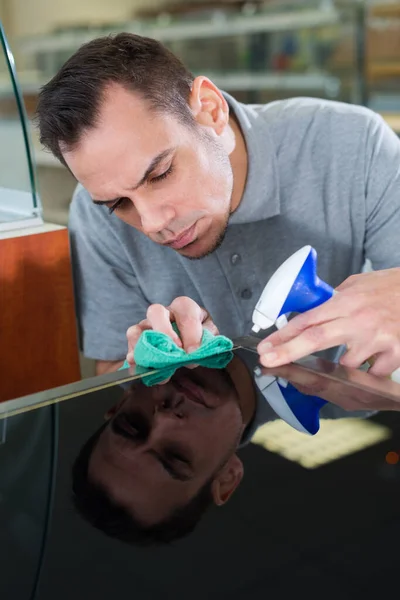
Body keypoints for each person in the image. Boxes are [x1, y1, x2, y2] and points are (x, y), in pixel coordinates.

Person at [36, 33, 400, 378]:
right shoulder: (94, 214)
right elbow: (112, 374)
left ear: (209, 110)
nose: (151, 223)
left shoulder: (354, 144)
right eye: (119, 203)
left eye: (160, 174)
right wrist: (152, 362)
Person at [72, 348, 373, 545]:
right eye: (176, 455)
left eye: (132, 425)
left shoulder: (130, 316)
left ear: (123, 400)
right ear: (227, 477)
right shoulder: (351, 387)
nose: (163, 418)